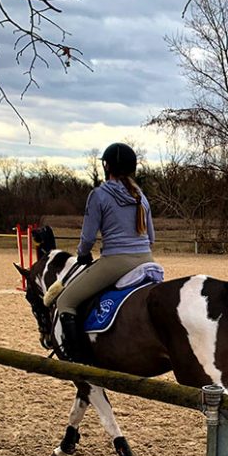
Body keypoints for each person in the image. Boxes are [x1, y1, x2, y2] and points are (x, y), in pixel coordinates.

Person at [55, 142, 156, 363]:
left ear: (107, 166)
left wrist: (82, 254)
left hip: (116, 262)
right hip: (147, 260)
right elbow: (152, 237)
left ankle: (77, 360)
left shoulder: (99, 195)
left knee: (66, 302)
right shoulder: (141, 195)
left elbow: (88, 237)